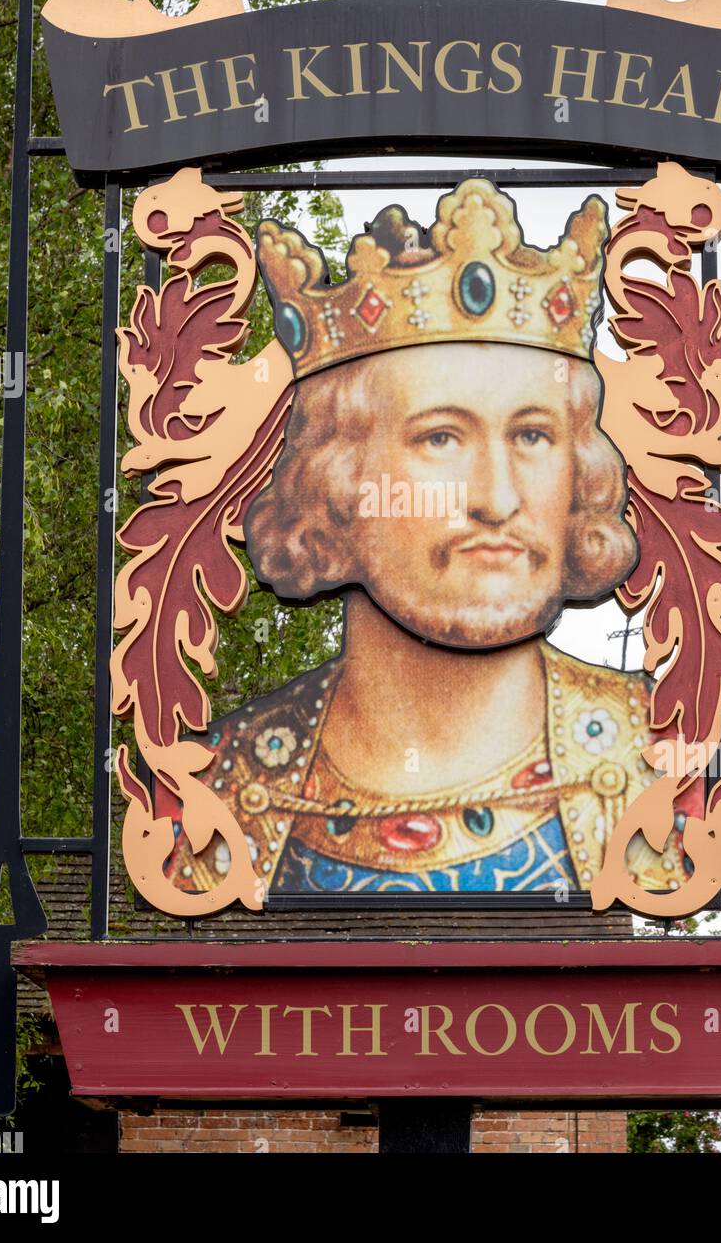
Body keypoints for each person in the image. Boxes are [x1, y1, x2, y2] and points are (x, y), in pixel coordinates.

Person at [166, 179, 688, 895]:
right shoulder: (220, 784)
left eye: (532, 435)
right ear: (338, 482)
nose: (497, 499)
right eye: (440, 437)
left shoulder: (654, 762)